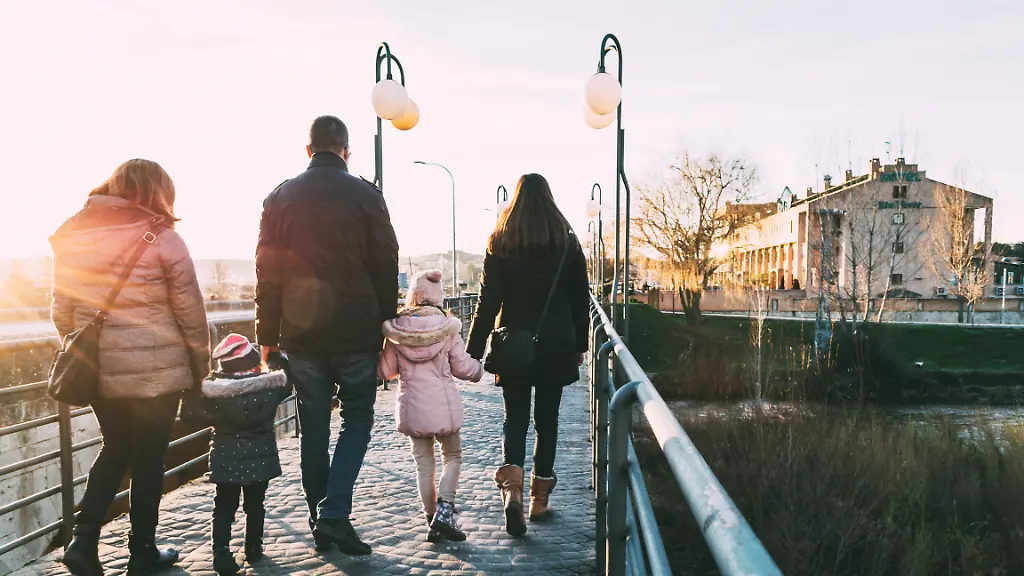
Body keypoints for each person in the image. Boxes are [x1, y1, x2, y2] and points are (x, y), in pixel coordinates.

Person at [53, 159, 211, 576]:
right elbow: (190, 314)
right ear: (159, 193)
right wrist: (200, 366)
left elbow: (62, 313)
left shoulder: (74, 237)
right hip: (159, 374)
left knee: (115, 447)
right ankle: (141, 551)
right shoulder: (163, 238)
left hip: (101, 370)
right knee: (147, 459)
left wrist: (90, 353)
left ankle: (83, 542)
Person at [255, 115, 400, 555]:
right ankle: (334, 515)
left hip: (300, 334)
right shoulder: (366, 196)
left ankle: (322, 518)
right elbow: (385, 264)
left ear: (308, 150)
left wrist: (268, 338)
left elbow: (267, 273)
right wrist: (386, 324)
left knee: (314, 428)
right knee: (357, 419)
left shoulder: (279, 198)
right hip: (356, 332)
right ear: (346, 150)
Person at [466, 173, 590, 537]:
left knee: (514, 420)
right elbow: (580, 300)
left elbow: (487, 302)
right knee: (547, 420)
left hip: (513, 344)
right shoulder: (566, 243)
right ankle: (539, 500)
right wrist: (580, 345)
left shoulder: (501, 241)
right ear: (550, 201)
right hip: (555, 345)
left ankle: (512, 492)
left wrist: (473, 351)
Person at [378, 270, 484, 542]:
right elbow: (462, 367)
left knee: (424, 466)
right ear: (438, 298)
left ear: (412, 295)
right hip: (443, 406)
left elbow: (386, 370)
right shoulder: (447, 329)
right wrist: (479, 370)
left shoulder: (396, 331)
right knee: (453, 457)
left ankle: (430, 518)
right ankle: (445, 510)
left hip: (413, 409)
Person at [179, 333, 290, 575]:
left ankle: (220, 552)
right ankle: (253, 547)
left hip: (226, 459)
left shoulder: (215, 396)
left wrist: (195, 386)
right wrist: (276, 360)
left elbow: (188, 416)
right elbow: (288, 382)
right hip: (262, 458)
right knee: (256, 504)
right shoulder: (270, 389)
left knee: (224, 506)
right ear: (252, 363)